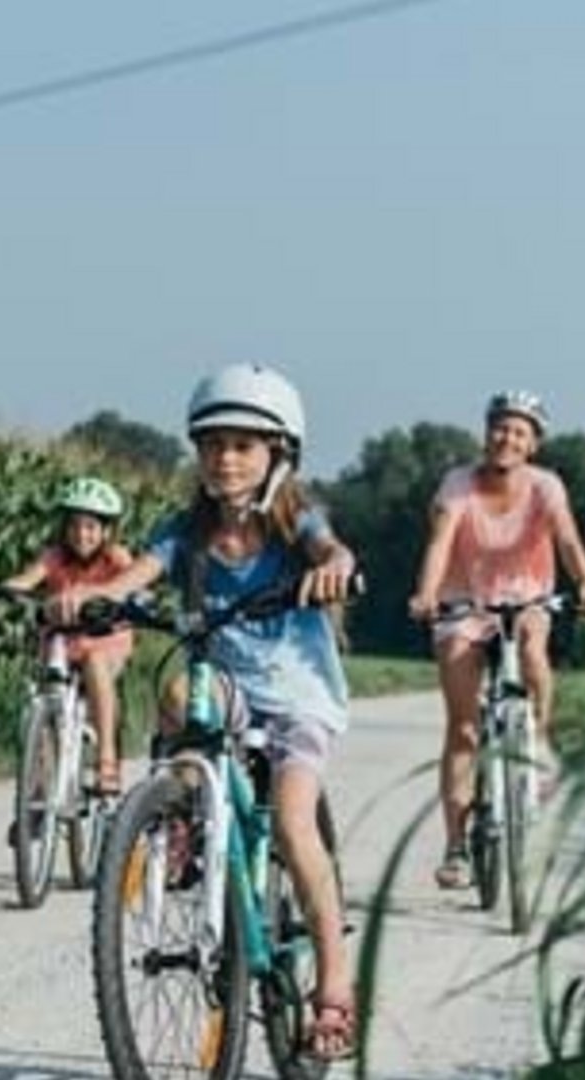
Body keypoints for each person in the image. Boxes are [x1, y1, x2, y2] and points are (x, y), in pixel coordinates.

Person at [53, 363, 360, 1061]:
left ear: (279, 455)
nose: (225, 459)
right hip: (224, 679)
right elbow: (141, 571)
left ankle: (336, 984)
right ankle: (178, 816)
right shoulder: (184, 530)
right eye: (213, 444)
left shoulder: (294, 523)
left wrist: (334, 566)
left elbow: (330, 549)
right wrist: (96, 596)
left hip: (296, 694)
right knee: (172, 694)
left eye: (244, 445)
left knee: (289, 819)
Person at [407, 389, 585, 892]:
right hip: (464, 602)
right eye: (500, 427)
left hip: (525, 598)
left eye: (520, 431)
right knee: (463, 729)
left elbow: (566, 539)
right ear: (486, 431)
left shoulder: (546, 487)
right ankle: (456, 847)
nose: (507, 438)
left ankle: (536, 737)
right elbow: (440, 542)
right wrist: (427, 593)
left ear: (533, 444)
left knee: (534, 651)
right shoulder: (457, 485)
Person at [0, 476, 135, 799]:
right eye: (73, 526)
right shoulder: (54, 557)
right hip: (61, 642)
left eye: (90, 527)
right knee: (42, 692)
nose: (81, 535)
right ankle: (40, 782)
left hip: (104, 642)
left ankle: (106, 760)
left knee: (96, 664)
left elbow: (133, 585)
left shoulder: (116, 558)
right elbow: (26, 582)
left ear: (107, 531)